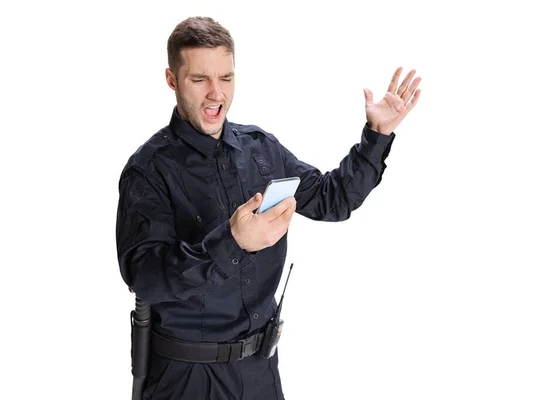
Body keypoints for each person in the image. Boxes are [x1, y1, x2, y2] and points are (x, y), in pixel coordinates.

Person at [115, 16, 421, 400]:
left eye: (226, 78)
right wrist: (232, 242)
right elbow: (144, 277)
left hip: (260, 373)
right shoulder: (148, 170)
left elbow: (334, 198)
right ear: (172, 79)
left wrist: (377, 136)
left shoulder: (260, 150)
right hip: (188, 379)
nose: (216, 93)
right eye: (199, 79)